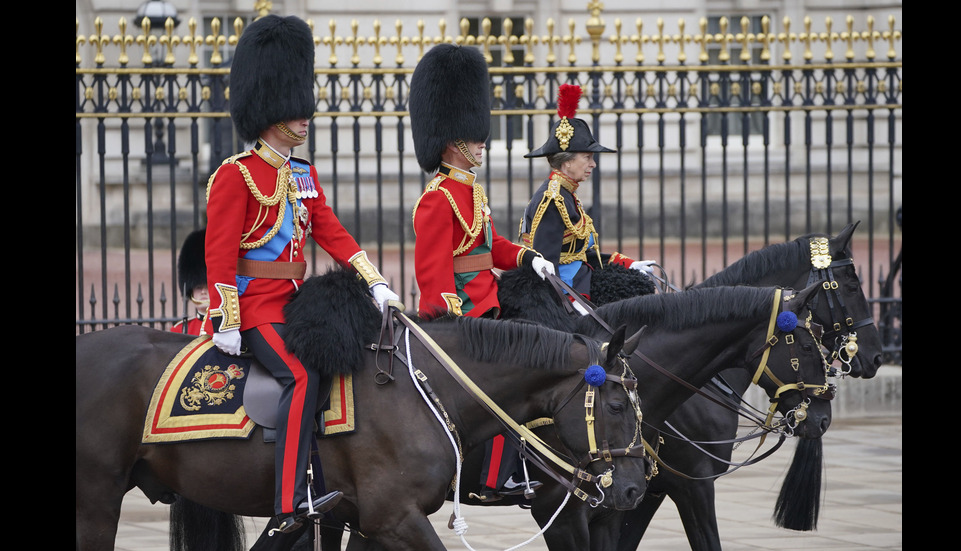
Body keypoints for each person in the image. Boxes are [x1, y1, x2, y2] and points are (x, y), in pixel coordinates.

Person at [205, 14, 400, 535]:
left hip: (295, 302)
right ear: (271, 113)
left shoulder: (301, 174)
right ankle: (292, 500)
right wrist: (226, 316)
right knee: (301, 374)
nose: (305, 118)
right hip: (253, 306)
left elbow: (331, 231)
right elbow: (219, 252)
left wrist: (372, 279)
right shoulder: (236, 173)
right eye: (297, 112)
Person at [408, 43, 554, 501]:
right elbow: (431, 274)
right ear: (454, 142)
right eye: (476, 139)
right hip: (463, 320)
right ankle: (493, 480)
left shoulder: (472, 192)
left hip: (487, 307)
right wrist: (455, 324)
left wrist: (528, 258)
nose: (482, 144)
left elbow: (491, 249)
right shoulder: (437, 198)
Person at [520, 83, 657, 307]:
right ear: (567, 160)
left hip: (581, 281)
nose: (593, 164)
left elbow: (579, 256)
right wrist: (567, 309)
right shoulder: (553, 200)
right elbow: (545, 267)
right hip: (568, 294)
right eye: (587, 157)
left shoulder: (566, 194)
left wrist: (626, 264)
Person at [171, 228, 212, 336]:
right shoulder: (179, 330)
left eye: (207, 286)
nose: (203, 291)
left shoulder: (226, 330)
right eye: (198, 287)